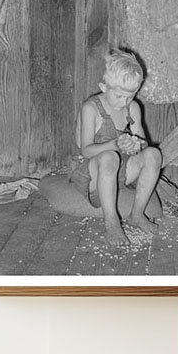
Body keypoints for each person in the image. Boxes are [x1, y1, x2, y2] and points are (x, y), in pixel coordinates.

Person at [69, 49, 162, 249]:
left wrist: (137, 144)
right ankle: (111, 221)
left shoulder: (132, 107)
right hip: (94, 174)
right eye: (119, 96)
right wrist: (114, 144)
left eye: (130, 96)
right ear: (104, 87)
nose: (124, 103)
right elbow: (85, 150)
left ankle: (136, 214)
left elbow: (143, 143)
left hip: (121, 173)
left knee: (154, 154)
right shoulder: (91, 108)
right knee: (110, 157)